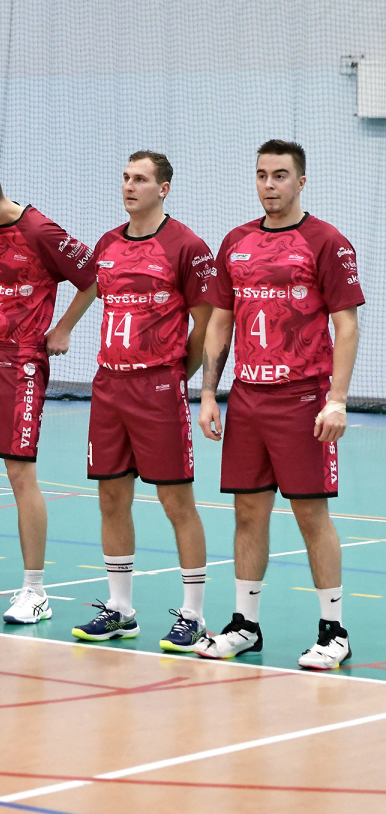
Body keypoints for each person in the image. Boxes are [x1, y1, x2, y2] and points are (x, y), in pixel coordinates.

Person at [196, 140, 363, 670]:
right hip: (247, 397)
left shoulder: (326, 241)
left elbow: (347, 326)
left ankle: (334, 632)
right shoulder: (236, 242)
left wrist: (337, 400)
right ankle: (245, 624)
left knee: (311, 514)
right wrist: (208, 393)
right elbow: (220, 321)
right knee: (248, 512)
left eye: (281, 175)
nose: (269, 184)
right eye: (262, 175)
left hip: (303, 398)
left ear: (301, 182)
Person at [70, 151, 219, 650]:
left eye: (140, 179)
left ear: (164, 188)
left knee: (176, 502)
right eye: (126, 178)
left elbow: (206, 323)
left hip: (157, 389)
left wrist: (176, 374)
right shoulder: (108, 243)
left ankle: (193, 615)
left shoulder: (186, 246)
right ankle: (120, 609)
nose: (129, 186)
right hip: (109, 387)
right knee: (111, 498)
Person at [0, 163, 96, 623]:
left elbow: (94, 276)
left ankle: (35, 591)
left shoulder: (40, 231)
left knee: (20, 474)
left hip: (21, 361)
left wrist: (63, 328)